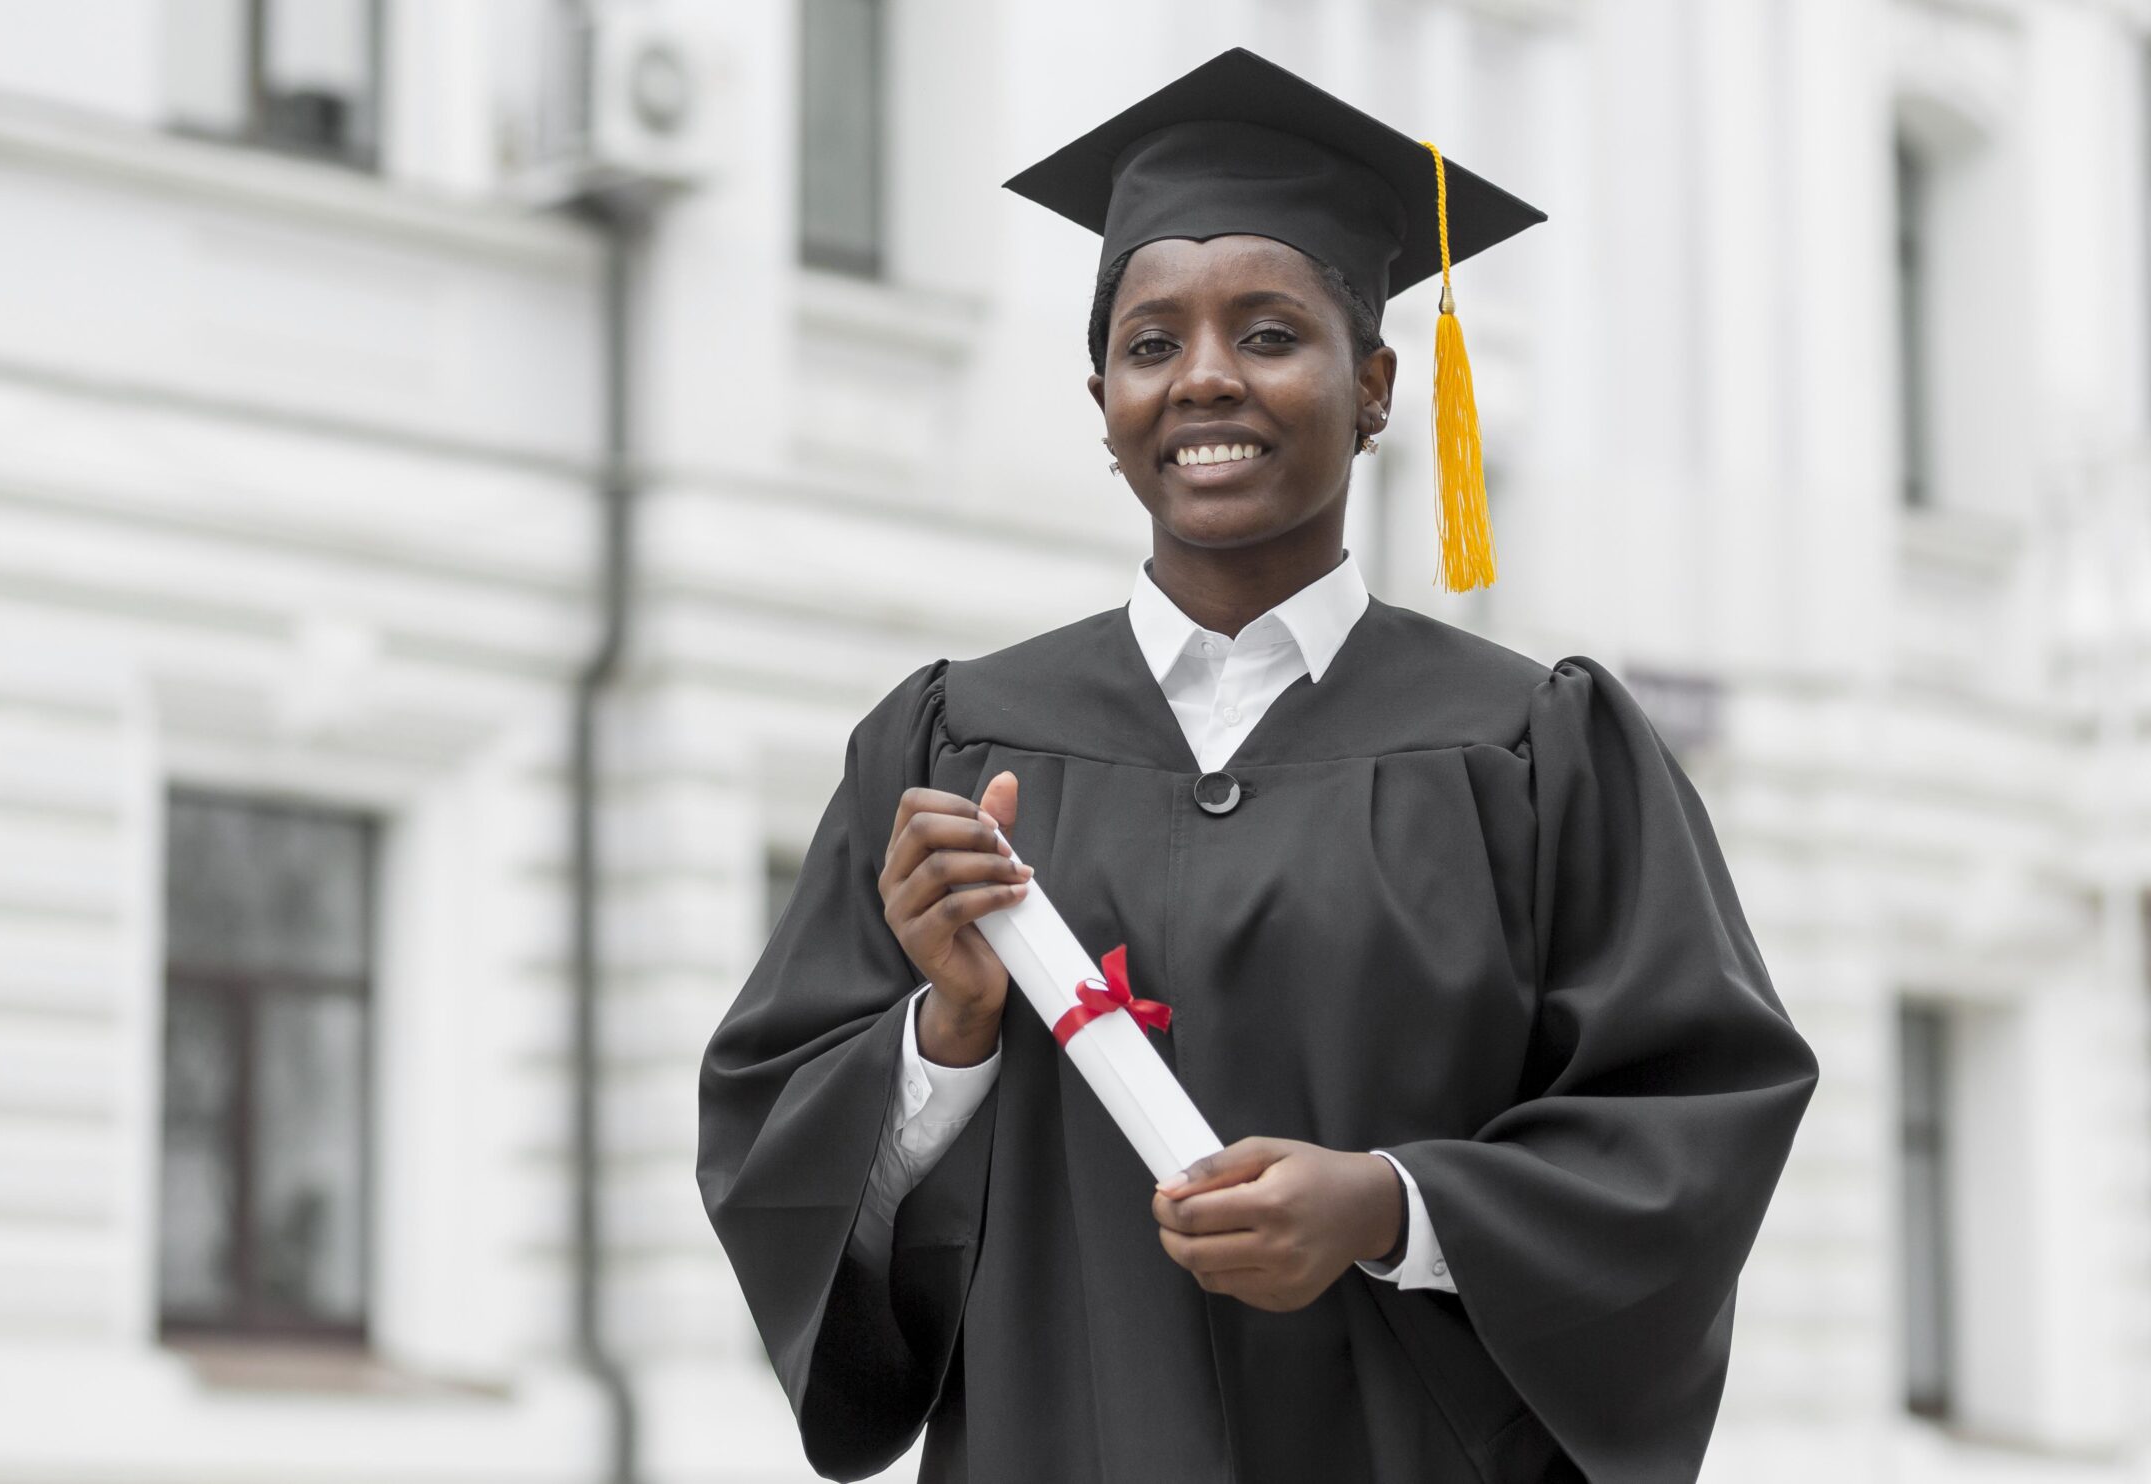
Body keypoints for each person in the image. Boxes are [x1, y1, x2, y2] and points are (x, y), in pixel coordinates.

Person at [696, 47, 1817, 1484]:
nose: (1205, 377)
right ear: (1101, 401)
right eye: (1151, 343)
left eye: (1271, 332)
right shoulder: (945, 747)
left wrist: (1394, 1208)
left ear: (1373, 387)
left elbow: (1690, 1127)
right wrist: (947, 1036)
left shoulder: (1537, 752)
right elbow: (772, 1149)